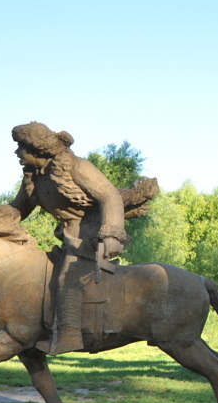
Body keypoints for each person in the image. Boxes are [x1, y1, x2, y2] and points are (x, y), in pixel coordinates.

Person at [10, 122, 129, 353]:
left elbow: (110, 195)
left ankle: (70, 336)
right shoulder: (34, 177)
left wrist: (113, 234)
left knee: (69, 278)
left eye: (20, 147)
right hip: (68, 237)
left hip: (90, 233)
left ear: (36, 148)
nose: (17, 152)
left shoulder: (77, 167)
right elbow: (17, 211)